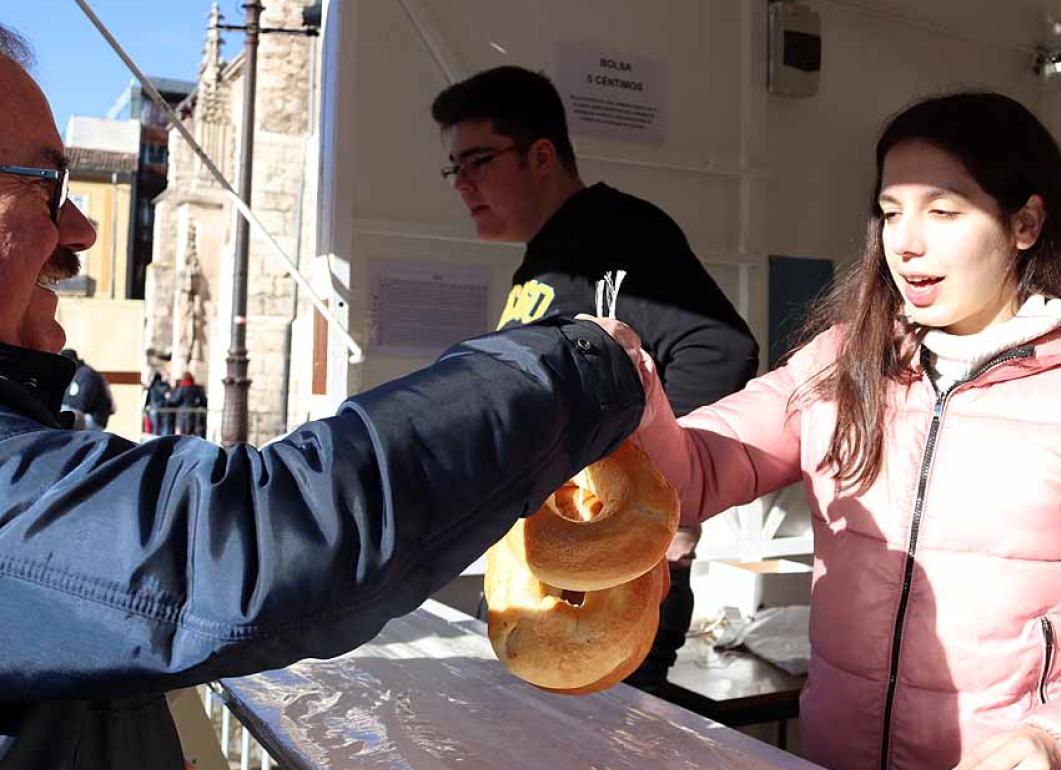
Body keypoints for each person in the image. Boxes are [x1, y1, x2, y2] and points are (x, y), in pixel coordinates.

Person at [0, 28, 648, 769]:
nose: (79, 230)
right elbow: (251, 543)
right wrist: (585, 366)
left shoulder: (624, 232)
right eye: (46, 188)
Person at [593, 92, 1061, 770]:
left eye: (944, 212)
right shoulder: (843, 364)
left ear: (1025, 223)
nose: (907, 241)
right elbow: (688, 475)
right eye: (891, 213)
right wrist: (634, 386)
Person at [431, 65, 760, 689]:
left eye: (477, 161)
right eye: (455, 169)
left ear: (542, 155)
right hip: (541, 566)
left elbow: (718, 346)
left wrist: (673, 503)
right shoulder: (542, 258)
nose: (462, 184)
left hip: (613, 576)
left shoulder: (619, 230)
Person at [58, 347, 114, 430]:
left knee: (60, 415)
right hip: (82, 414)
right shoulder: (74, 373)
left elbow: (83, 404)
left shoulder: (86, 375)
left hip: (93, 419)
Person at [165, 370, 207, 437]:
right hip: (193, 413)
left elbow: (176, 400)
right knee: (191, 432)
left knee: (183, 434)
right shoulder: (196, 388)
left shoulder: (182, 388)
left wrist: (169, 397)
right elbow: (203, 401)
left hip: (183, 414)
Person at [143, 369, 171, 436]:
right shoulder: (165, 386)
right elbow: (168, 396)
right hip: (163, 408)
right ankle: (163, 440)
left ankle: (155, 440)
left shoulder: (152, 387)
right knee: (164, 426)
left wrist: (145, 407)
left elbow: (148, 397)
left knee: (155, 426)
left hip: (153, 408)